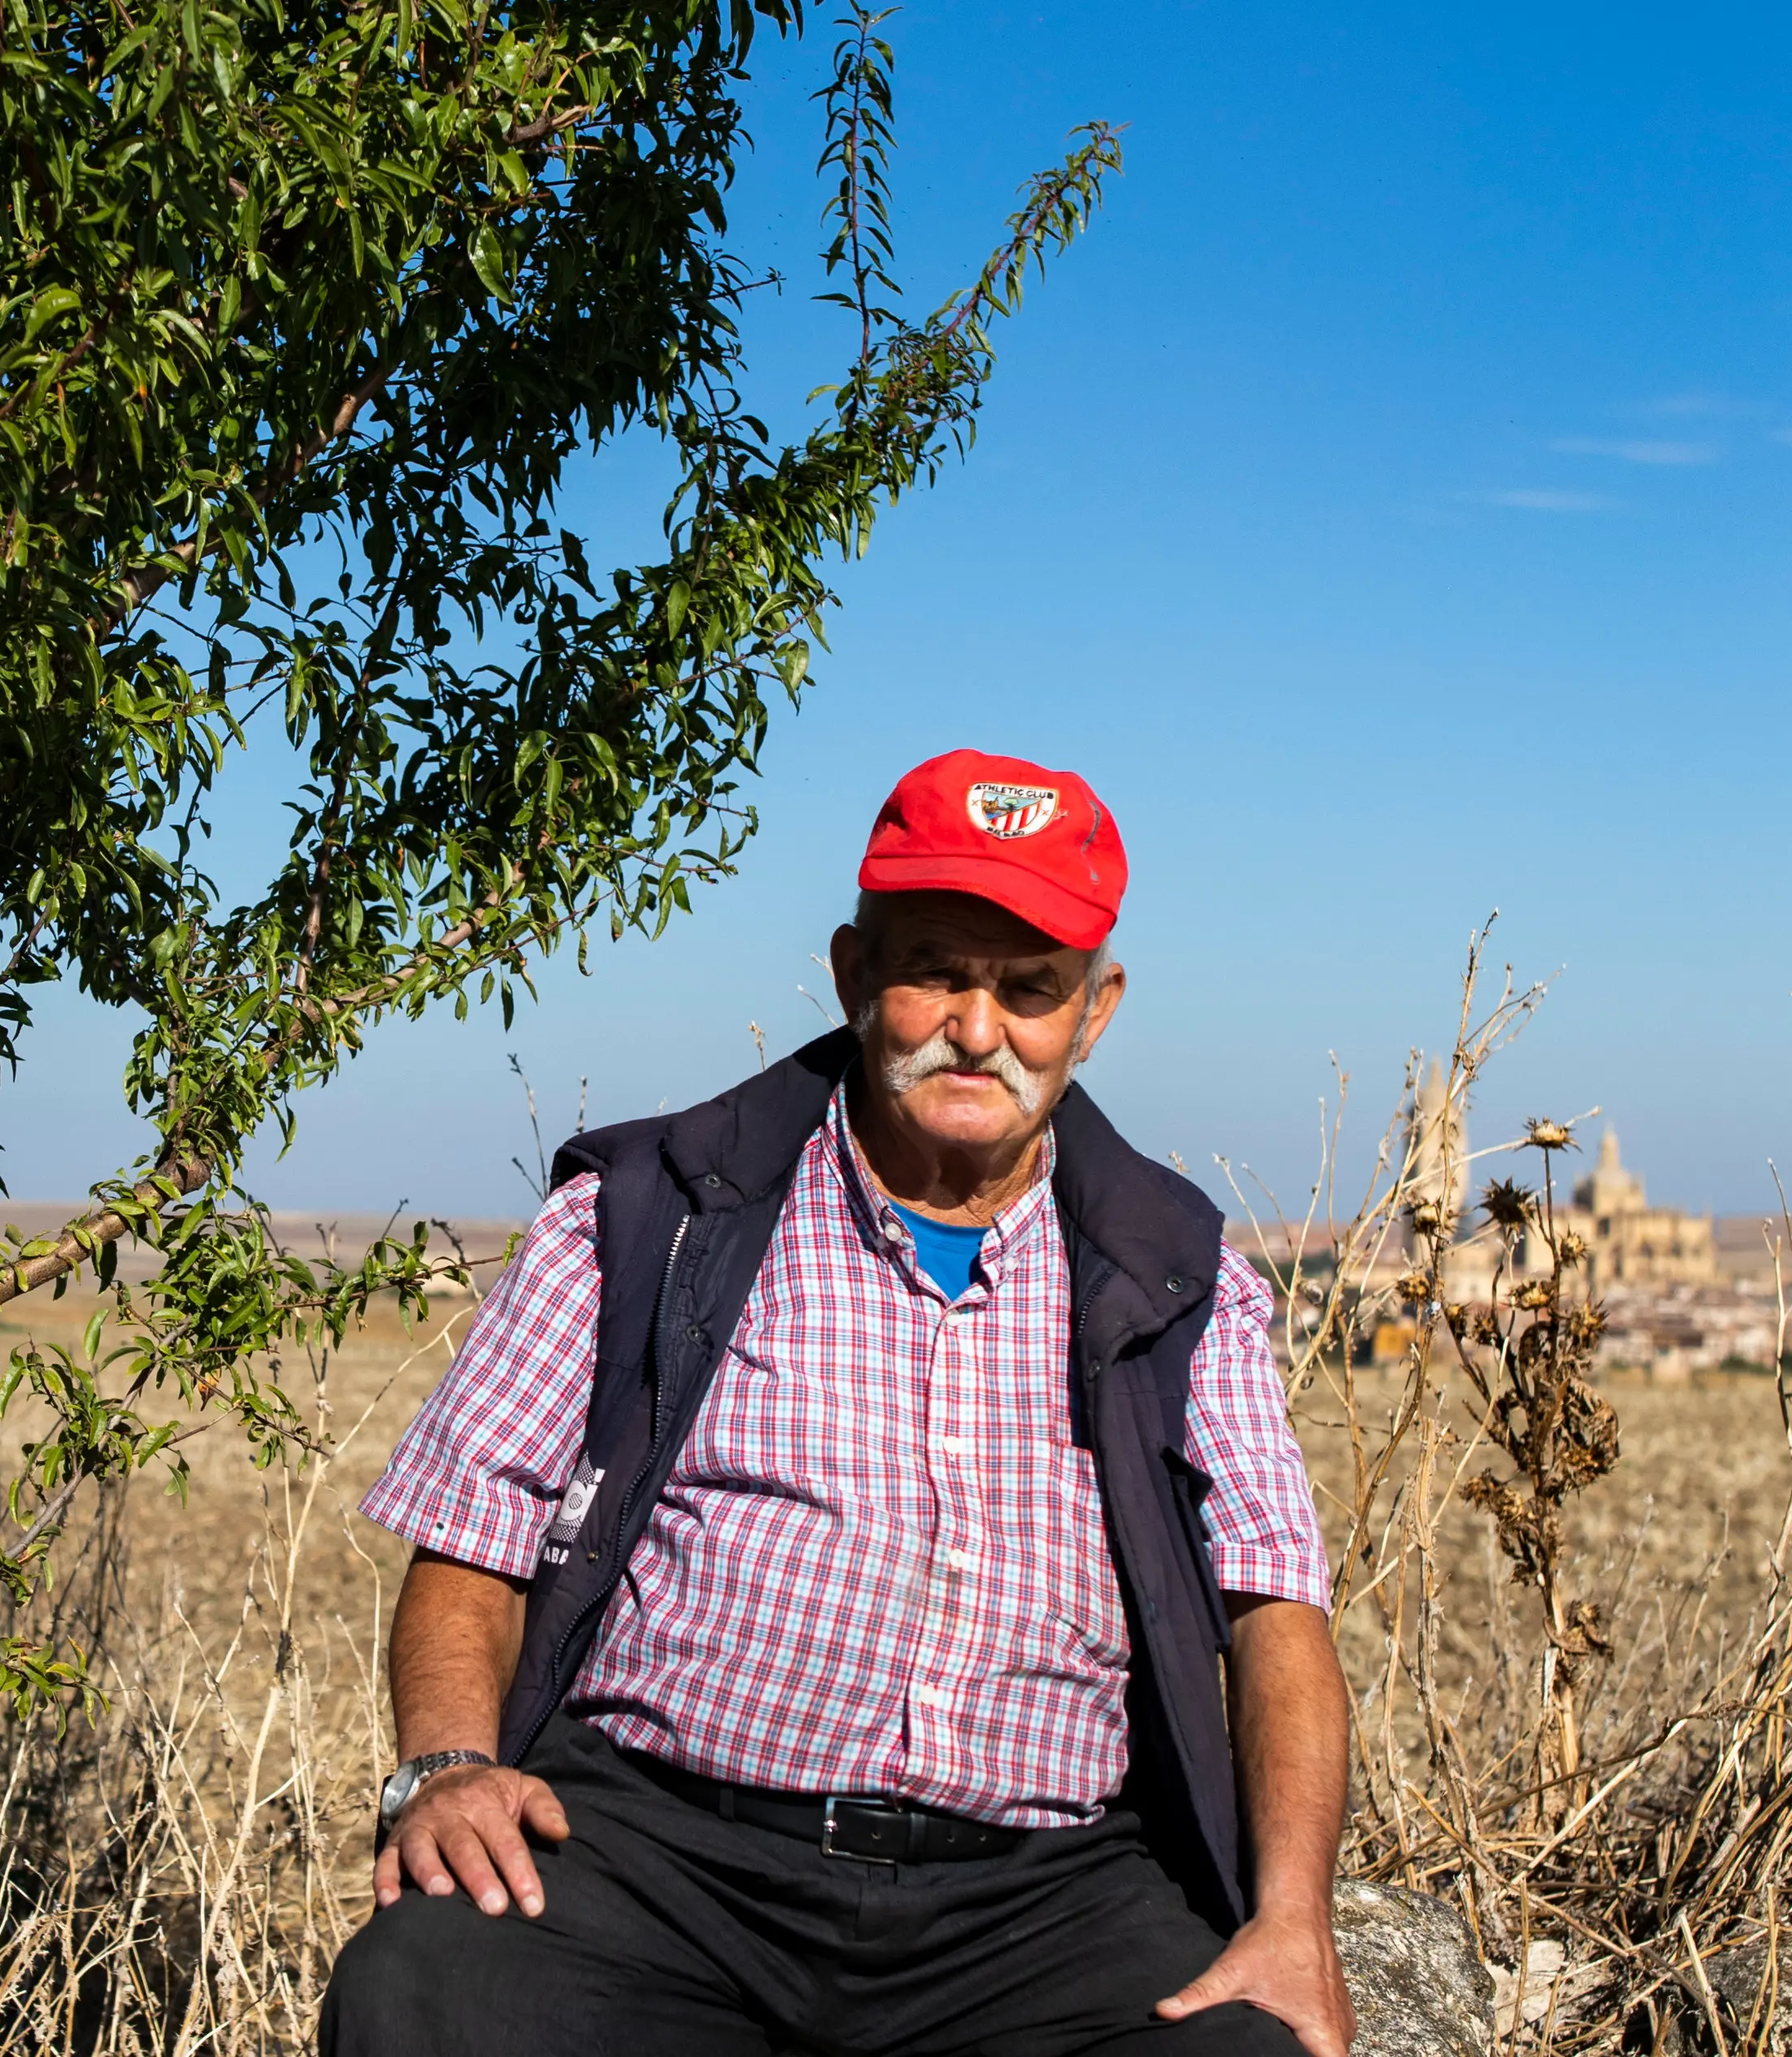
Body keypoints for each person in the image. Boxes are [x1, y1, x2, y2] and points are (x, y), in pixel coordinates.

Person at [320, 752, 1354, 2057]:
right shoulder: (652, 1211)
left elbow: (1277, 1617)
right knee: (427, 1992)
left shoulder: (1184, 1276)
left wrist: (1293, 1919)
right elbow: (470, 1537)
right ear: (856, 974)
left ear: (1094, 1014)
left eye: (1029, 989)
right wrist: (451, 1767)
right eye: (937, 972)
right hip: (661, 1860)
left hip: (1040, 1901)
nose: (979, 1031)